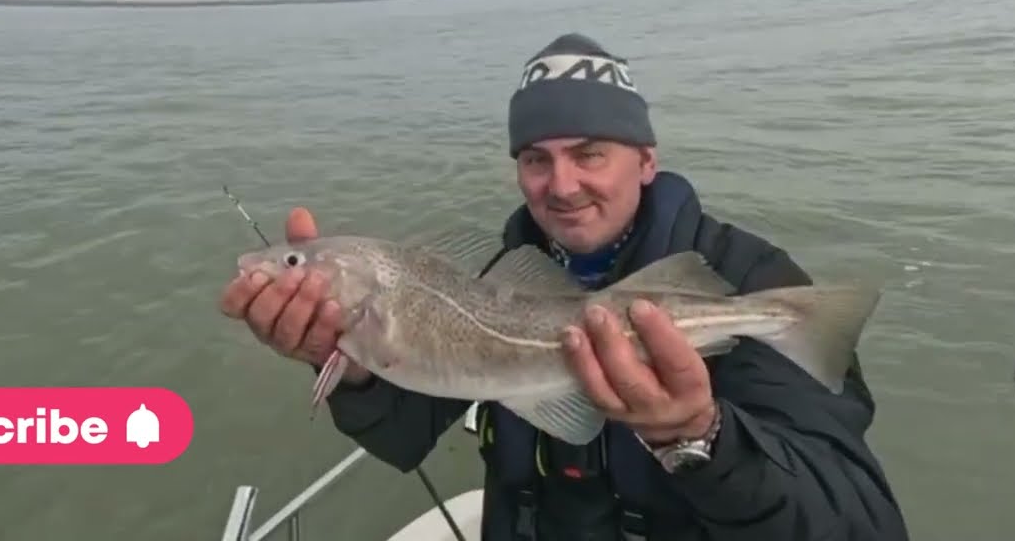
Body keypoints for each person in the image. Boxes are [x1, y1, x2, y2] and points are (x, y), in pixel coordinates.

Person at [220, 33, 910, 541]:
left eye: (589, 154)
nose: (562, 186)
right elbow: (407, 434)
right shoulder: (485, 278)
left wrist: (702, 437)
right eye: (536, 159)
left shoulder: (751, 280)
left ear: (646, 160)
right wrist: (349, 369)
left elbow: (862, 523)